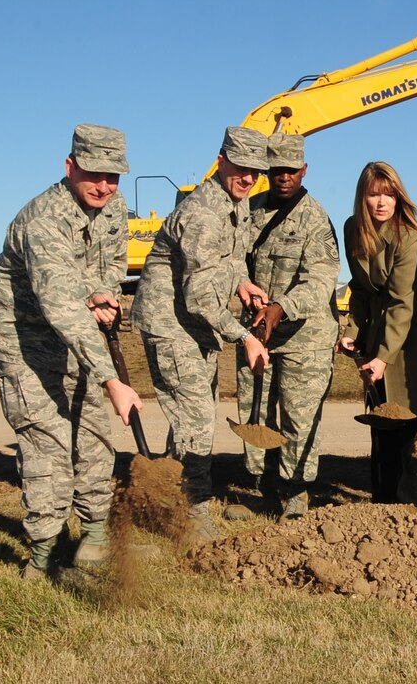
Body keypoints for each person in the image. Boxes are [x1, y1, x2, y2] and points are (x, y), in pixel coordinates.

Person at [0, 124, 143, 579]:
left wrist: (102, 295)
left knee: (92, 429)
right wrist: (113, 380)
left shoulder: (114, 206)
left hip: (75, 328)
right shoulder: (43, 221)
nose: (104, 186)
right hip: (22, 335)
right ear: (70, 166)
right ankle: (43, 556)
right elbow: (60, 306)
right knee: (47, 438)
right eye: (93, 173)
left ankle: (93, 538)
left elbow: (110, 267)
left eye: (113, 177)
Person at [130, 126, 271, 542]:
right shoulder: (201, 215)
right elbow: (197, 297)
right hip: (173, 325)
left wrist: (243, 282)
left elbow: (234, 259)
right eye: (241, 168)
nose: (248, 178)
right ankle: (192, 516)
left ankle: (175, 501)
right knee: (196, 420)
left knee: (192, 418)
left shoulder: (236, 204)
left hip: (196, 330)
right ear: (222, 159)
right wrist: (244, 336)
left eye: (255, 172)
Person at [229, 133, 340, 522]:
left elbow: (321, 281)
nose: (283, 177)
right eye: (276, 170)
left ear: (303, 170)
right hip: (257, 335)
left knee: (298, 417)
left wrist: (282, 306)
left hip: (303, 340)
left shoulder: (316, 219)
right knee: (255, 410)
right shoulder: (249, 211)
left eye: (291, 170)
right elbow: (232, 259)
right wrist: (244, 289)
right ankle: (263, 487)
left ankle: (296, 493)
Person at [338, 162, 417, 516]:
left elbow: (402, 302)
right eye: (374, 194)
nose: (381, 202)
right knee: (382, 422)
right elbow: (359, 288)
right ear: (363, 196)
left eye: (388, 194)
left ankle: (416, 512)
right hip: (380, 328)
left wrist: (383, 357)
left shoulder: (409, 237)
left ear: (398, 196)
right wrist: (352, 333)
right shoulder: (353, 229)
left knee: (414, 426)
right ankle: (383, 510)